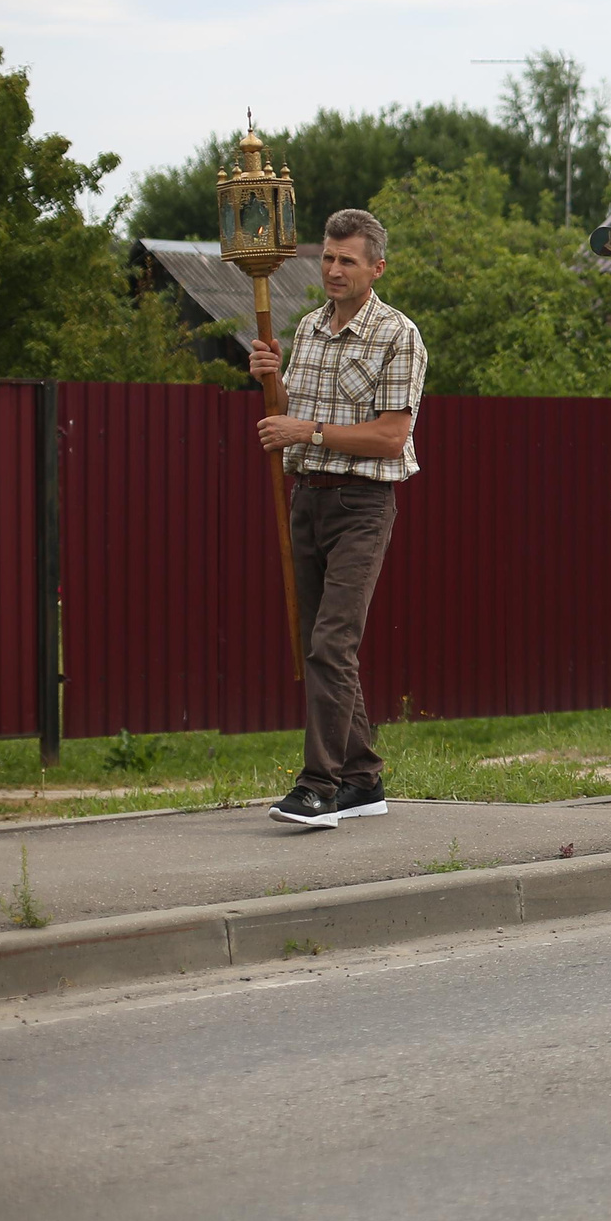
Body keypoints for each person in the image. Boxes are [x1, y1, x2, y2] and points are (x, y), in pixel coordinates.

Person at [252, 208, 427, 830]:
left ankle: (317, 787)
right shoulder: (308, 329)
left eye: (346, 260)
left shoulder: (397, 335)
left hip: (362, 504)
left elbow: (389, 436)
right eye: (327, 256)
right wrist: (272, 381)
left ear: (376, 267)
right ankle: (362, 777)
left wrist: (308, 428)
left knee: (332, 642)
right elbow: (292, 415)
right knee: (315, 643)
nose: (332, 269)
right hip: (308, 498)